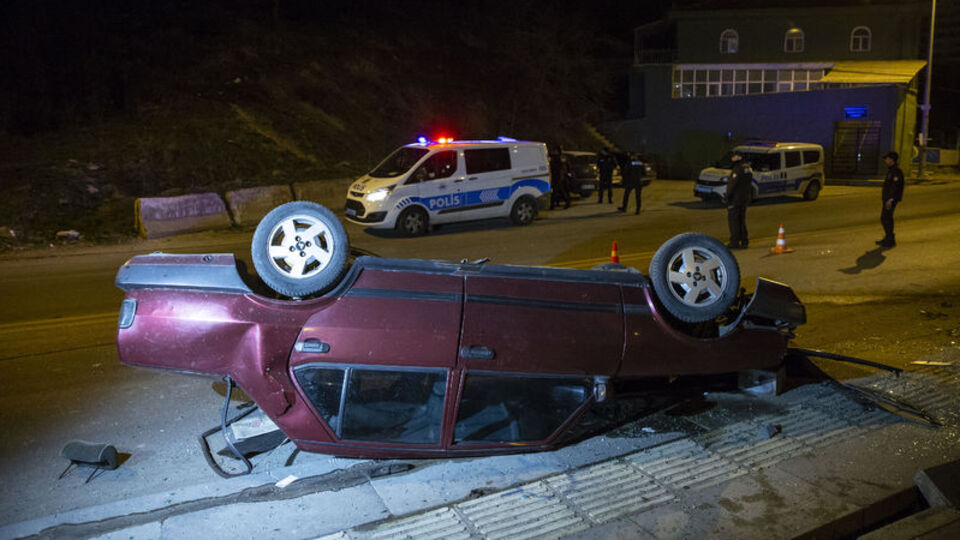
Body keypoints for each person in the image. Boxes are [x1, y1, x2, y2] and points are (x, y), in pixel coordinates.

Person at [725, 150, 752, 249]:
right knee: (741, 220)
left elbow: (732, 184)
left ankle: (734, 242)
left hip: (735, 199)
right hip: (744, 198)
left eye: (734, 156)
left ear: (739, 157)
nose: (732, 158)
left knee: (734, 221)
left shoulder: (738, 169)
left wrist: (727, 196)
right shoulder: (748, 168)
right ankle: (744, 241)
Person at [877, 150, 904, 248]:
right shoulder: (891, 170)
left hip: (890, 200)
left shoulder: (896, 171)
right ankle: (888, 238)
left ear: (892, 160)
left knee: (885, 218)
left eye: (887, 159)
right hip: (887, 199)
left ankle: (890, 240)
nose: (885, 160)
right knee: (886, 218)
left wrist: (890, 199)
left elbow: (895, 187)